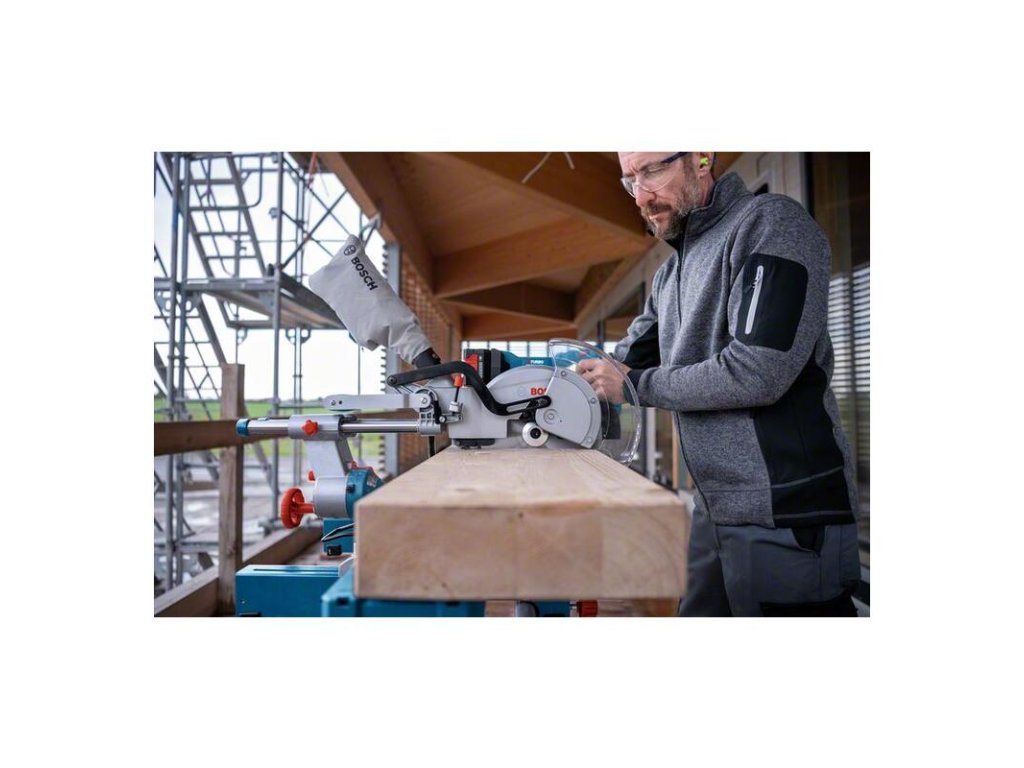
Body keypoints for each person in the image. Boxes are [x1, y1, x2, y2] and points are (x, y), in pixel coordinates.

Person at [577, 152, 861, 616]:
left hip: (788, 510)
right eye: (630, 181)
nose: (642, 196)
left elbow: (757, 372)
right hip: (715, 508)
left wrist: (635, 385)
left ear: (702, 157)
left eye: (653, 170)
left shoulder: (770, 224)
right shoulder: (669, 276)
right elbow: (620, 362)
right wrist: (561, 383)